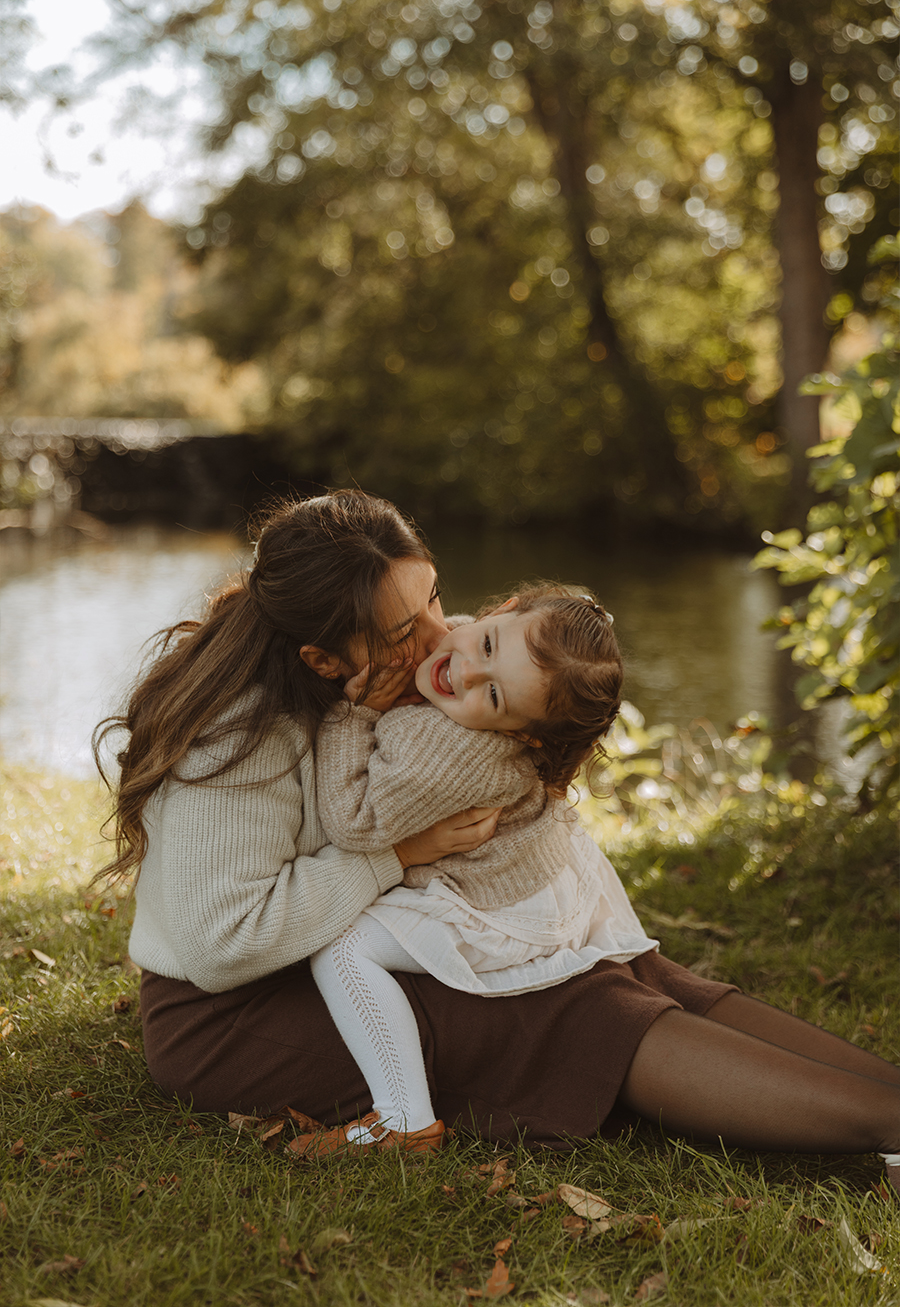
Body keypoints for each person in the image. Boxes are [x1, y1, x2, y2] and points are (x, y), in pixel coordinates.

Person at [94, 490, 900, 1185]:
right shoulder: (236, 736)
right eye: (408, 626)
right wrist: (394, 856)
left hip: (326, 951)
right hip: (230, 1013)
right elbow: (219, 942)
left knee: (629, 967)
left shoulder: (388, 668)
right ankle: (883, 1127)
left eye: (435, 598)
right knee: (573, 1009)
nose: (441, 632)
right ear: (323, 658)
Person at [305, 585, 660, 1153]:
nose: (465, 672)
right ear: (498, 612)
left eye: (492, 694)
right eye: (487, 642)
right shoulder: (468, 649)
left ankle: (404, 1119)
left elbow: (353, 823)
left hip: (499, 906)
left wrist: (355, 716)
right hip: (538, 874)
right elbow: (472, 651)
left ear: (519, 732)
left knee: (343, 947)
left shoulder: (446, 756)